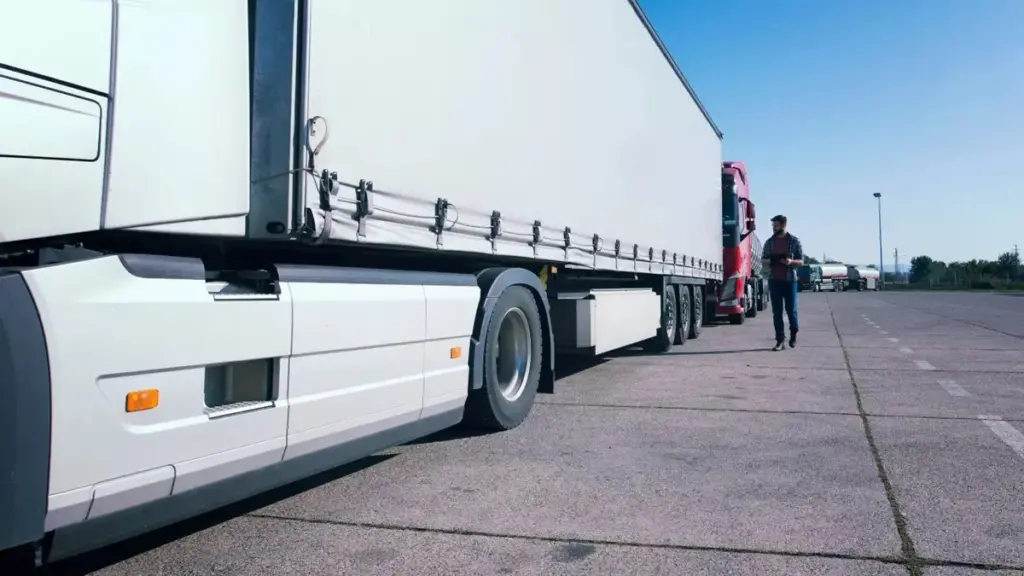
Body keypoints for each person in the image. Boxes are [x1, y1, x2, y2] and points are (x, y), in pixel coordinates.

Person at [761, 215, 804, 351]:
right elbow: (763, 260)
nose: (774, 228)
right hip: (774, 281)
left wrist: (790, 262)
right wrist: (774, 260)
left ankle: (794, 334)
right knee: (777, 312)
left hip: (790, 281)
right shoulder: (769, 242)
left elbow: (801, 261)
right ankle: (780, 341)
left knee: (791, 311)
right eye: (773, 226)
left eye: (776, 225)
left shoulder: (794, 241)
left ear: (784, 225)